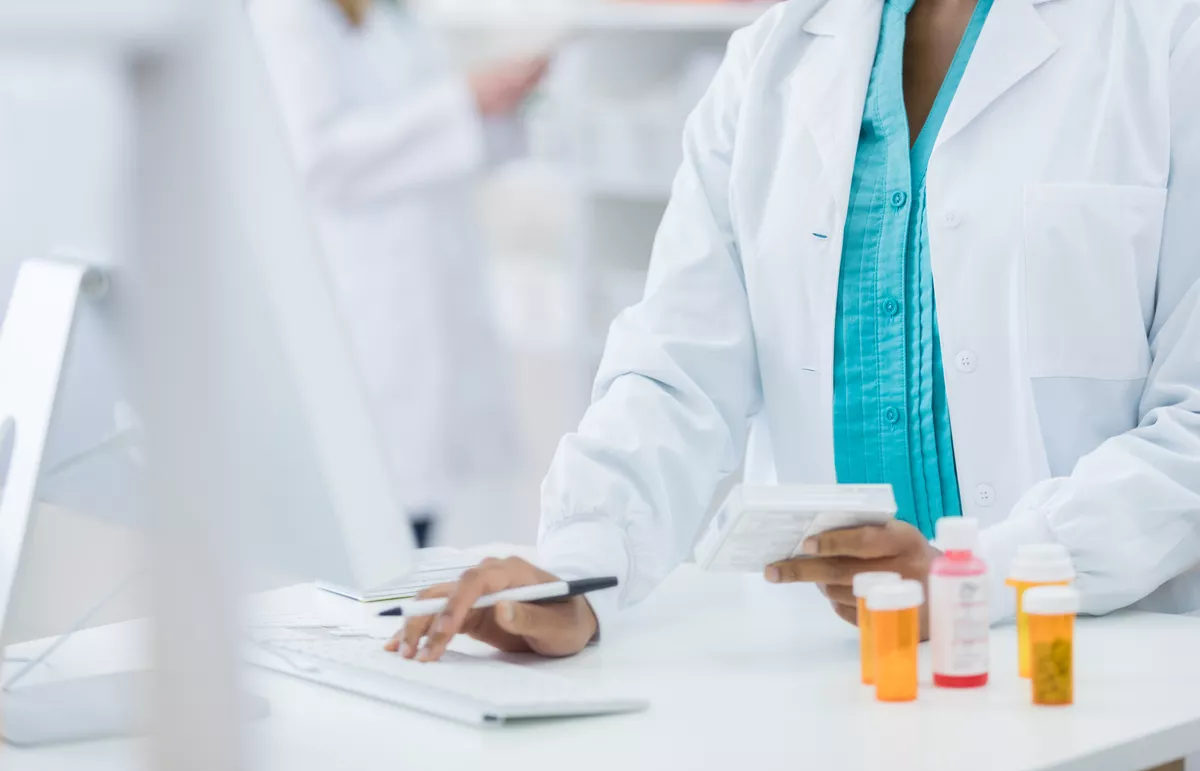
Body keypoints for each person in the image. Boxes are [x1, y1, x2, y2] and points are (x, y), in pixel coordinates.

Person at [387, 0, 1200, 662]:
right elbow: (675, 375)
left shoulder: (1168, 42)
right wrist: (575, 574)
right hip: (837, 681)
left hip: (1095, 666)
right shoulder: (769, 64)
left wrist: (970, 579)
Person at [250, 0, 547, 546]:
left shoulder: (392, 17)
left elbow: (440, 143)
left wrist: (493, 106)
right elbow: (313, 159)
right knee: (377, 513)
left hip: (425, 288)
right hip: (365, 296)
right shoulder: (292, 16)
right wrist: (461, 101)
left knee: (415, 512)